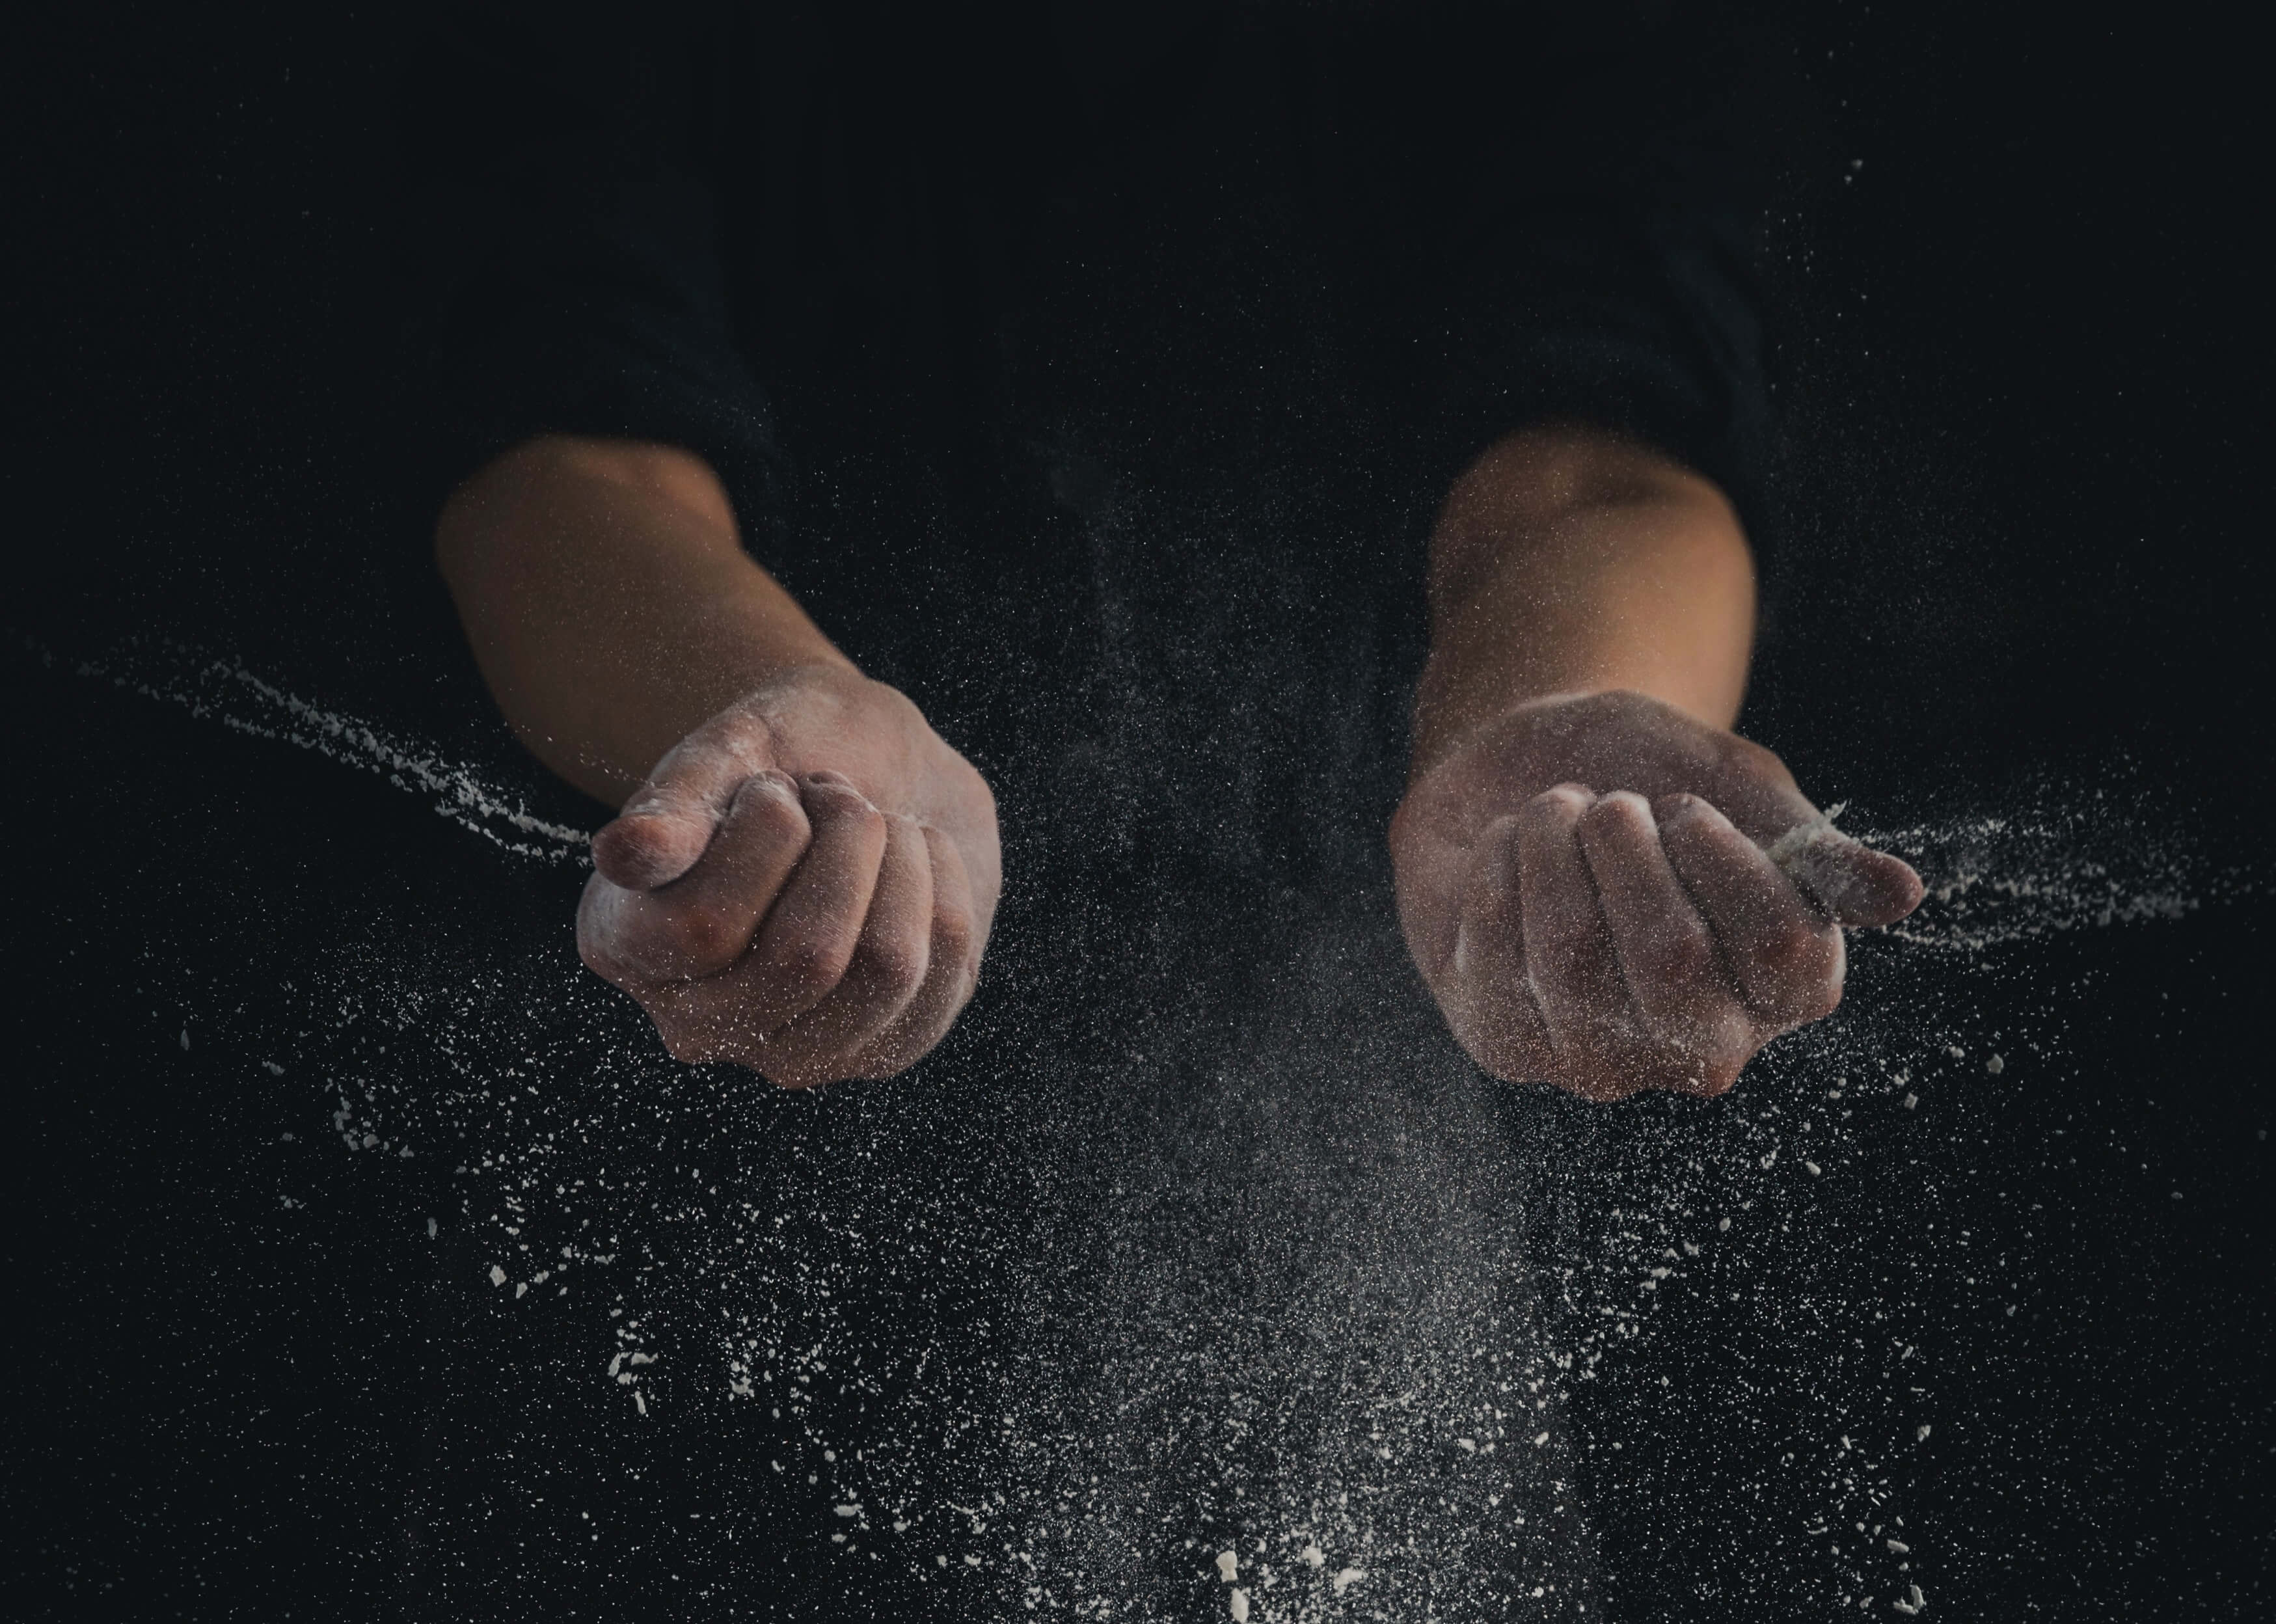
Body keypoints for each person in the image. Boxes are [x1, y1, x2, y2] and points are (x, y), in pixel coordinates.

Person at [407, 3, 1921, 1109]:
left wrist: (1554, 727)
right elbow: (564, 441)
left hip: (1410, 1043)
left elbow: (1608, 452)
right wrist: (766, 719)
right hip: (700, 1064)